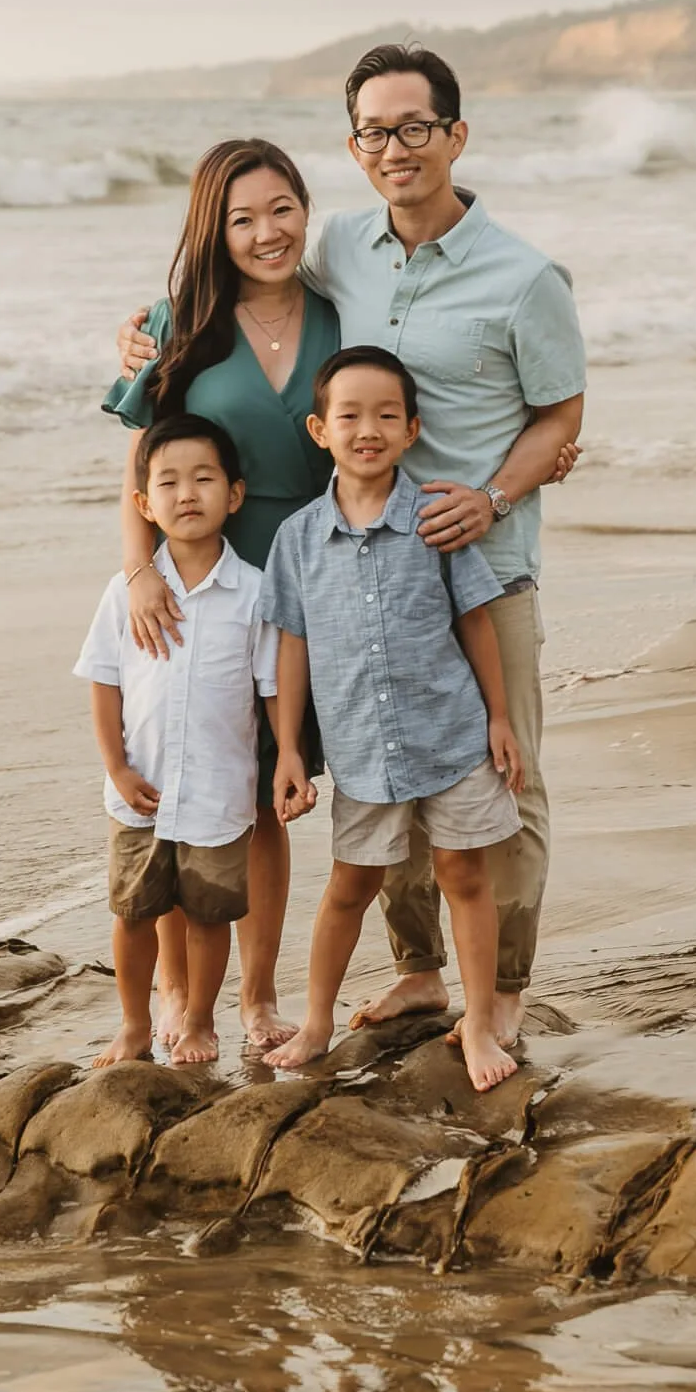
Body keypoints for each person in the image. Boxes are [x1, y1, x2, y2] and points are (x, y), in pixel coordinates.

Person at [120, 45, 585, 1048]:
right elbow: (236, 278)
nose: (395, 147)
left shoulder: (524, 274)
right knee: (380, 762)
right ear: (354, 146)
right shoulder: (342, 249)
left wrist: (502, 491)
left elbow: (562, 413)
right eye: (375, 131)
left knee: (501, 775)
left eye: (415, 126)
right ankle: (418, 971)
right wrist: (145, 331)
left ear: (456, 136)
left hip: (480, 558)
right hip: (346, 565)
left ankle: (498, 989)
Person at [100, 139, 340, 1052]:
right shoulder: (178, 320)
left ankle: (257, 996)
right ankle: (171, 986)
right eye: (242, 217)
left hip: (310, 585)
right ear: (215, 228)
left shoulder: (340, 308)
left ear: (305, 209)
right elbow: (141, 459)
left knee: (267, 795)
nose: (266, 232)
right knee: (181, 787)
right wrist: (139, 573)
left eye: (282, 209)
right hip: (194, 584)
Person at [260, 348, 524, 1092]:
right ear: (320, 429)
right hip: (360, 749)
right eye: (349, 415)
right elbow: (291, 645)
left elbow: (476, 620)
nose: (366, 429)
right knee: (351, 882)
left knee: (463, 874)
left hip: (451, 734)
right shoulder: (300, 539)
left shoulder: (435, 518)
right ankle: (315, 1019)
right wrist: (287, 748)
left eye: (385, 416)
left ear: (412, 429)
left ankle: (476, 1021)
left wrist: (499, 718)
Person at [72, 415, 282, 1066]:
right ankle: (136, 1023)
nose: (186, 492)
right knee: (134, 912)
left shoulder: (253, 593)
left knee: (209, 915)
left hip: (220, 795)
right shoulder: (124, 593)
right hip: (140, 791)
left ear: (235, 495)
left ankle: (198, 1018)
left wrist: (288, 761)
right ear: (144, 503)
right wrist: (116, 768)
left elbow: (272, 690)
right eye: (168, 482)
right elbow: (103, 683)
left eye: (203, 479)